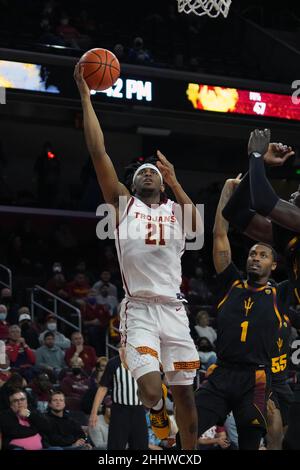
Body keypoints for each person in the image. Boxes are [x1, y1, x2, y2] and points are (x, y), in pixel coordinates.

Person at [74, 63, 202, 449]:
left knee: (187, 396)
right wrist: (85, 93)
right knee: (150, 390)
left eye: (154, 173)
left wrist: (177, 180)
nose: (148, 174)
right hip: (140, 310)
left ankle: (187, 454)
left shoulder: (175, 212)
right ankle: (156, 413)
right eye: (142, 172)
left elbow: (197, 225)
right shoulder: (122, 206)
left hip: (175, 312)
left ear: (162, 184)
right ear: (131, 184)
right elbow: (98, 150)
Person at [194, 177, 289, 450]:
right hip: (222, 372)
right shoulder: (231, 284)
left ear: (273, 265)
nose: (255, 258)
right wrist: (226, 190)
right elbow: (219, 235)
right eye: (252, 254)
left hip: (256, 378)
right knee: (188, 432)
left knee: (249, 443)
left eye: (262, 255)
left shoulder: (279, 294)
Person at [222, 130, 300, 448]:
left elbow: (266, 201)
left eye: (296, 193)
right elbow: (236, 214)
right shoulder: (287, 232)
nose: (293, 194)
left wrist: (257, 159)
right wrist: (258, 165)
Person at [89, 354, 148, 450]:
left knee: (141, 446)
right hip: (120, 411)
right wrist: (94, 412)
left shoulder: (145, 362)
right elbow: (103, 388)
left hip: (139, 411)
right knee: (116, 446)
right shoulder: (113, 363)